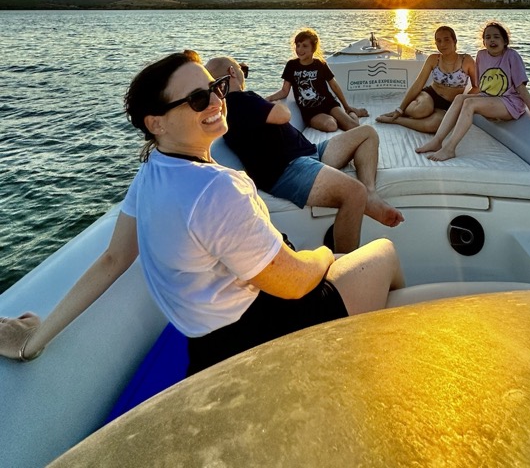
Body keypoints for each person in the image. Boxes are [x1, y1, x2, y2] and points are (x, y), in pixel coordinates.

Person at [0, 51, 404, 374]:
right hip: (275, 330)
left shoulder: (153, 172)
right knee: (385, 253)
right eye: (198, 99)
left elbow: (113, 259)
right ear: (156, 124)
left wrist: (34, 340)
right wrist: (326, 255)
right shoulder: (217, 189)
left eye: (216, 88)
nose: (216, 101)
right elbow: (296, 284)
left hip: (210, 347)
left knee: (361, 273)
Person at [205, 56, 404, 253]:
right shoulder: (239, 100)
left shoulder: (231, 107)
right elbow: (283, 115)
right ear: (232, 72)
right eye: (243, 71)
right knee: (355, 193)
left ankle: (371, 193)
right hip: (289, 169)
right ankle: (346, 267)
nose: (244, 75)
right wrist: (277, 105)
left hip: (310, 153)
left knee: (367, 133)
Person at [416, 22, 530, 161]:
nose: (492, 40)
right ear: (483, 42)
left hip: (509, 102)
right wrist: (480, 107)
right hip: (489, 97)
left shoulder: (512, 56)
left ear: (505, 41)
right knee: (460, 98)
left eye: (496, 37)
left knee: (470, 103)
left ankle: (449, 149)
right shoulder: (481, 55)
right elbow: (482, 86)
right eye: (488, 37)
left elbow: (521, 87)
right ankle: (437, 141)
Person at [376, 26, 477, 133]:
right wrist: (400, 108)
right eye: (438, 41)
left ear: (455, 41)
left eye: (446, 39)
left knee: (435, 125)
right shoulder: (433, 59)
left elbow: (477, 86)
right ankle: (403, 112)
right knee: (422, 110)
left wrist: (462, 102)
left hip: (451, 104)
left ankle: (398, 120)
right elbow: (418, 84)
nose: (442, 44)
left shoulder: (467, 60)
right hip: (430, 95)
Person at [268, 29, 368, 132]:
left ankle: (352, 112)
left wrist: (346, 106)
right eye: (298, 45)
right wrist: (268, 98)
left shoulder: (320, 64)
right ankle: (337, 119)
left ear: (313, 48)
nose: (300, 49)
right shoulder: (291, 65)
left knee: (353, 126)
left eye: (305, 46)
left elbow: (334, 86)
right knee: (331, 126)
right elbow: (284, 91)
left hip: (328, 104)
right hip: (311, 112)